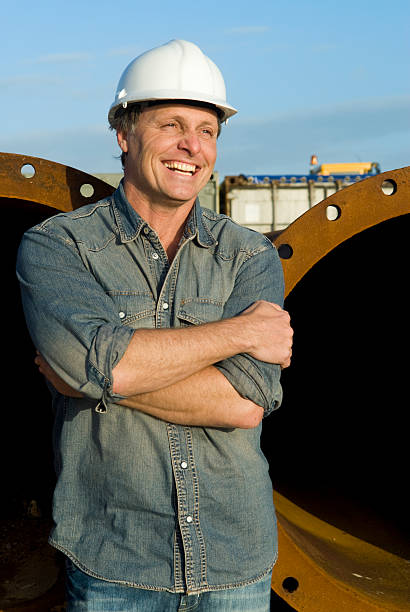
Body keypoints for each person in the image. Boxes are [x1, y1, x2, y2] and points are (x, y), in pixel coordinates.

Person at [17, 39, 293, 611]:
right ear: (124, 133)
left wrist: (95, 376)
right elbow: (101, 363)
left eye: (208, 130)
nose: (193, 146)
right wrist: (239, 333)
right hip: (114, 564)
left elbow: (246, 402)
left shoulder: (248, 257)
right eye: (172, 125)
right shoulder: (60, 246)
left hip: (234, 565)